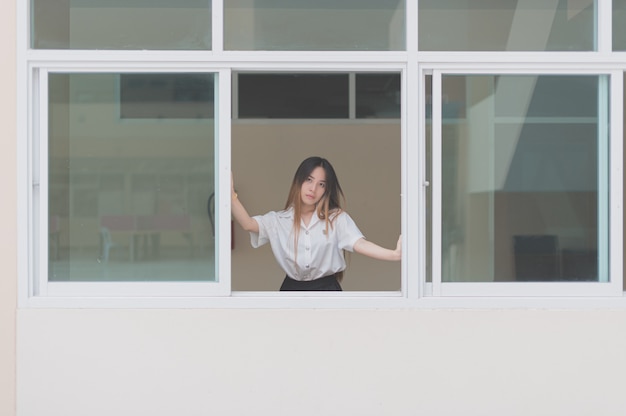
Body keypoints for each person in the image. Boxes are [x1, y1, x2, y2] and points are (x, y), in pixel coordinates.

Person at [231, 156, 401, 291]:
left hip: (327, 290)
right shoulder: (278, 221)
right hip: (291, 290)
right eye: (309, 180)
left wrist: (394, 255)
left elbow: (360, 244)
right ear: (299, 181)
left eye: (321, 184)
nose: (313, 189)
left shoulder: (336, 219)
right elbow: (248, 224)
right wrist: (230, 196)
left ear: (326, 190)